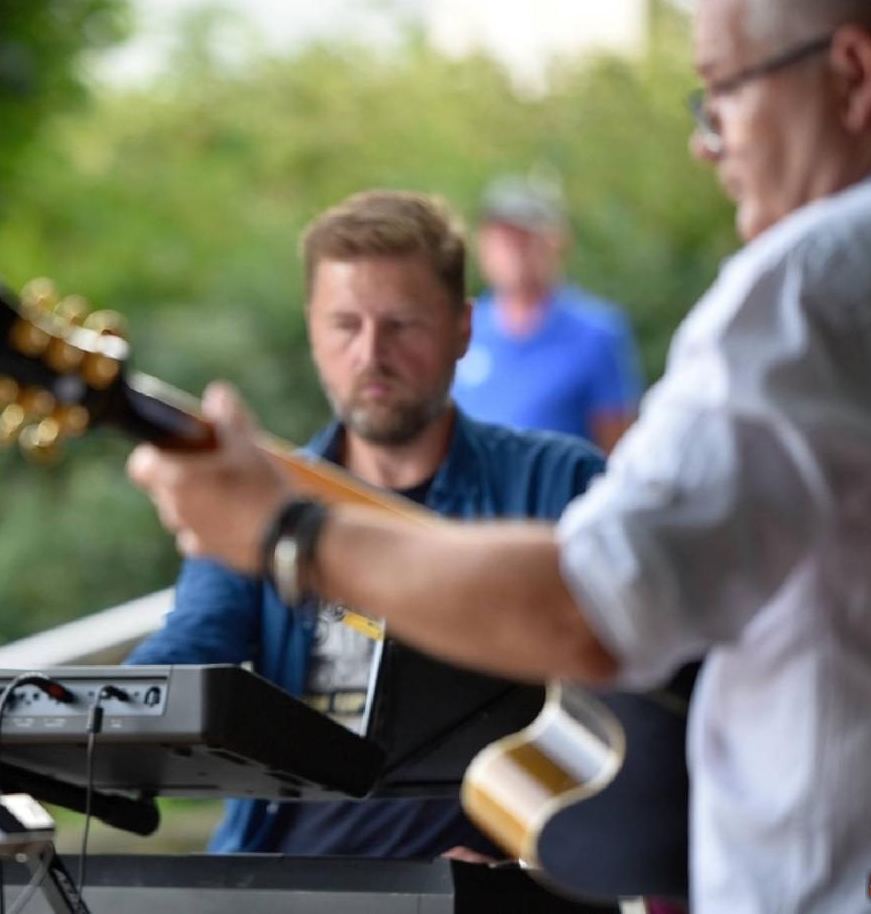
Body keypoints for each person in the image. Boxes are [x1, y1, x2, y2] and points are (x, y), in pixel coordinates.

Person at [127, 0, 871, 914]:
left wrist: (288, 527)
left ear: (851, 74)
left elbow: (597, 607)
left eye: (721, 91)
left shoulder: (820, 280)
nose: (709, 142)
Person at [127, 189, 605, 858]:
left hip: (488, 887)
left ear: (463, 328)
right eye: (345, 324)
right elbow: (185, 653)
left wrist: (522, 850)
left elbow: (632, 710)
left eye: (403, 324)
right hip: (283, 878)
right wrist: (66, 718)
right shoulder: (256, 497)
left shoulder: (560, 483)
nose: (371, 354)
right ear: (313, 331)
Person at [452, 178, 643, 452]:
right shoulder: (464, 326)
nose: (514, 251)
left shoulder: (597, 333)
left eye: (525, 239)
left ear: (556, 242)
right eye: (503, 239)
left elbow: (617, 448)